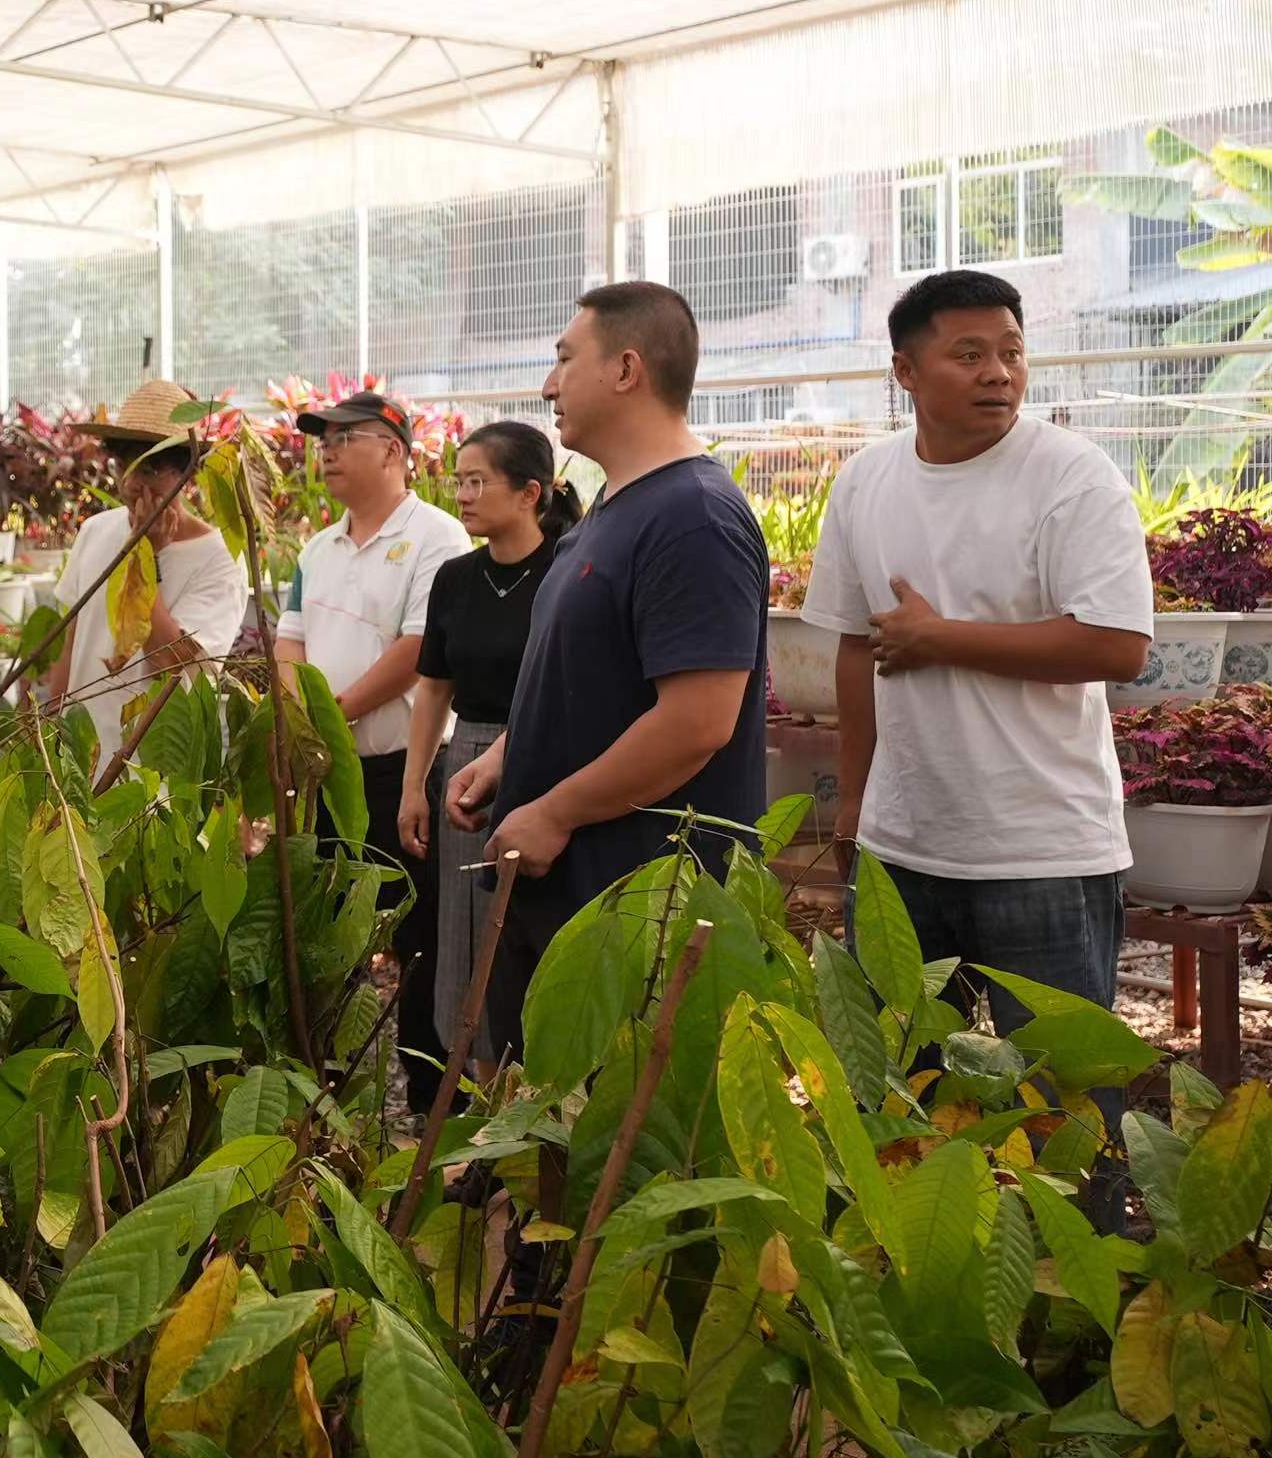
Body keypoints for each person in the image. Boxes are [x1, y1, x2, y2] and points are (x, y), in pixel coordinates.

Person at [801, 269, 1150, 1187]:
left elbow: (1118, 645)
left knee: (1070, 1115)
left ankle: (1077, 1276)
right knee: (898, 1096)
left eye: (1011, 352)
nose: (999, 372)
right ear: (906, 372)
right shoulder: (867, 482)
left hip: (1043, 850)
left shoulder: (1070, 476)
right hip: (902, 851)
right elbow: (854, 651)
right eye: (969, 354)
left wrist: (941, 638)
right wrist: (854, 808)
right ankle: (914, 1260)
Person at [446, 283, 769, 1057]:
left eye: (564, 359)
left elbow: (696, 721)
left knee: (613, 1109)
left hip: (634, 905)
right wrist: (507, 754)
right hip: (568, 891)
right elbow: (590, 672)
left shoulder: (693, 516)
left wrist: (556, 812)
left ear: (626, 369)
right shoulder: (614, 508)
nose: (548, 384)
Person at [273, 389, 471, 1111]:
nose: (326, 453)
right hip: (327, 773)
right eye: (322, 441)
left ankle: (428, 1100)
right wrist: (302, 722)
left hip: (401, 774)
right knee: (327, 933)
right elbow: (289, 641)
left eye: (343, 439)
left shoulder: (437, 538)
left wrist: (326, 718)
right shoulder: (317, 549)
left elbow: (420, 651)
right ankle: (327, 1099)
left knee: (419, 937)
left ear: (393, 450)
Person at [399, 420, 580, 1078]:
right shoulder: (456, 578)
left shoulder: (567, 569)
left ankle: (546, 1080)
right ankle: (476, 1094)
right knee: (465, 931)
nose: (464, 496)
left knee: (535, 929)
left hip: (549, 756)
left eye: (478, 482)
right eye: (460, 482)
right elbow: (434, 687)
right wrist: (414, 786)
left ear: (530, 492)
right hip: (466, 764)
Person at [36, 380, 247, 773]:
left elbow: (170, 664)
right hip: (78, 758)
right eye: (124, 466)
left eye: (150, 468)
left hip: (150, 770)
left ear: (188, 474)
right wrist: (49, 730)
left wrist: (146, 556)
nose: (132, 483)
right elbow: (73, 641)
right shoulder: (96, 531)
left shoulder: (219, 561)